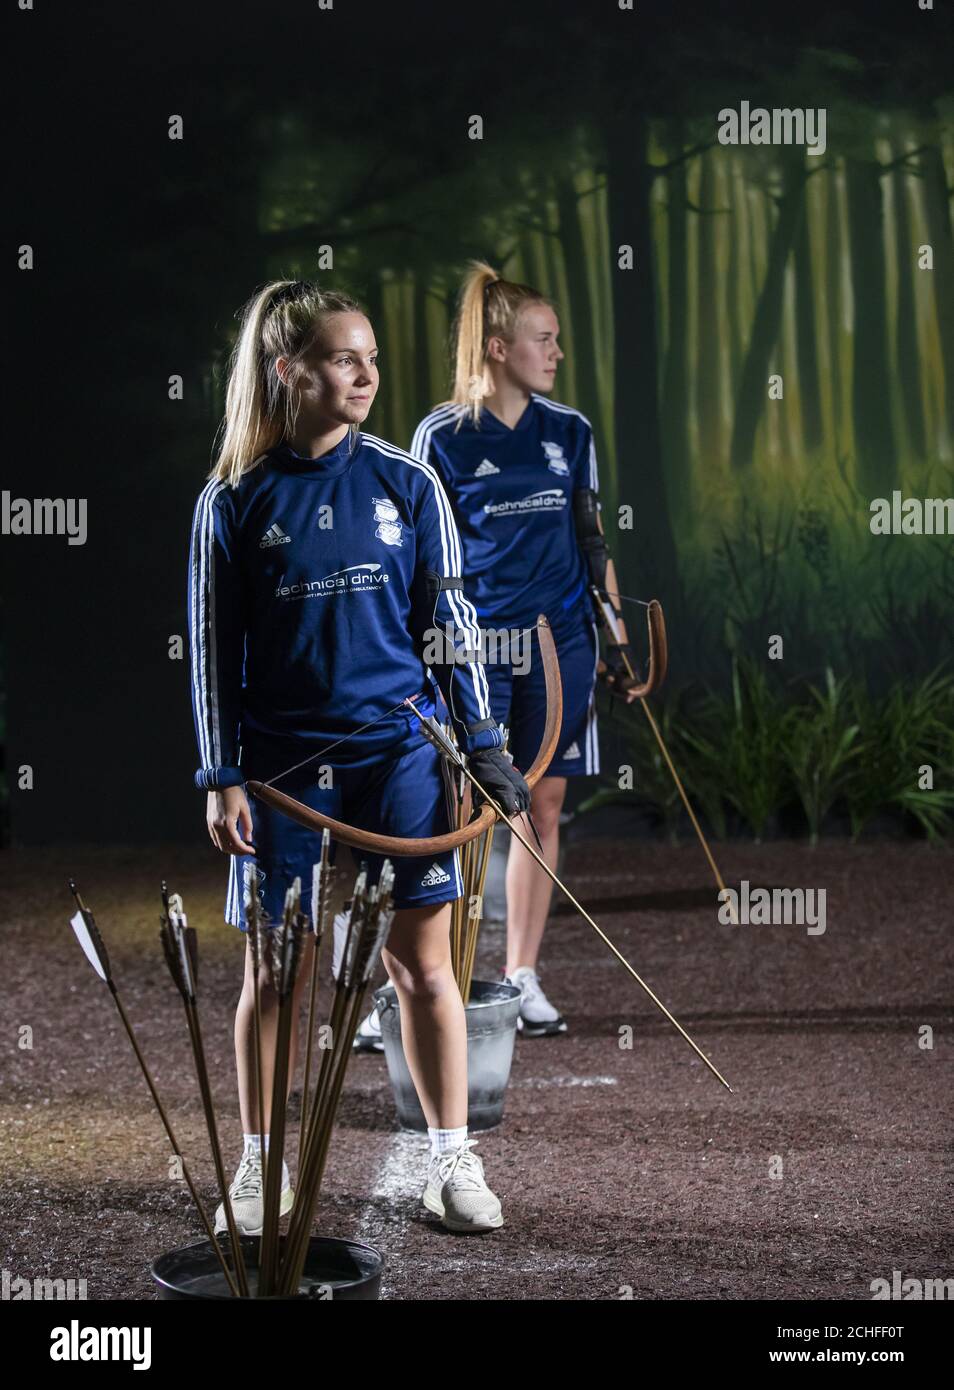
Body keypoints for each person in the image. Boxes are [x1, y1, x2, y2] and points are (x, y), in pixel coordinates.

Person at [187, 278, 531, 1235]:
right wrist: (220, 776)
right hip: (281, 774)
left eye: (372, 357)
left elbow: (449, 627)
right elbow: (212, 649)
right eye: (346, 358)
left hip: (398, 756)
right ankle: (259, 1171)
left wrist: (485, 742)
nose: (368, 374)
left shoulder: (406, 483)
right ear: (288, 370)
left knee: (425, 970)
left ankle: (449, 1157)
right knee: (278, 970)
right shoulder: (232, 499)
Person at [368, 262, 640, 1040]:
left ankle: (520, 976)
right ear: (497, 347)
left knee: (541, 804)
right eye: (541, 339)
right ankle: (419, 981)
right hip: (472, 649)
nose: (555, 352)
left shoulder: (572, 431)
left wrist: (614, 638)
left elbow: (592, 542)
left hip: (562, 645)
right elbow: (422, 562)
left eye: (556, 340)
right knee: (452, 809)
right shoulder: (439, 436)